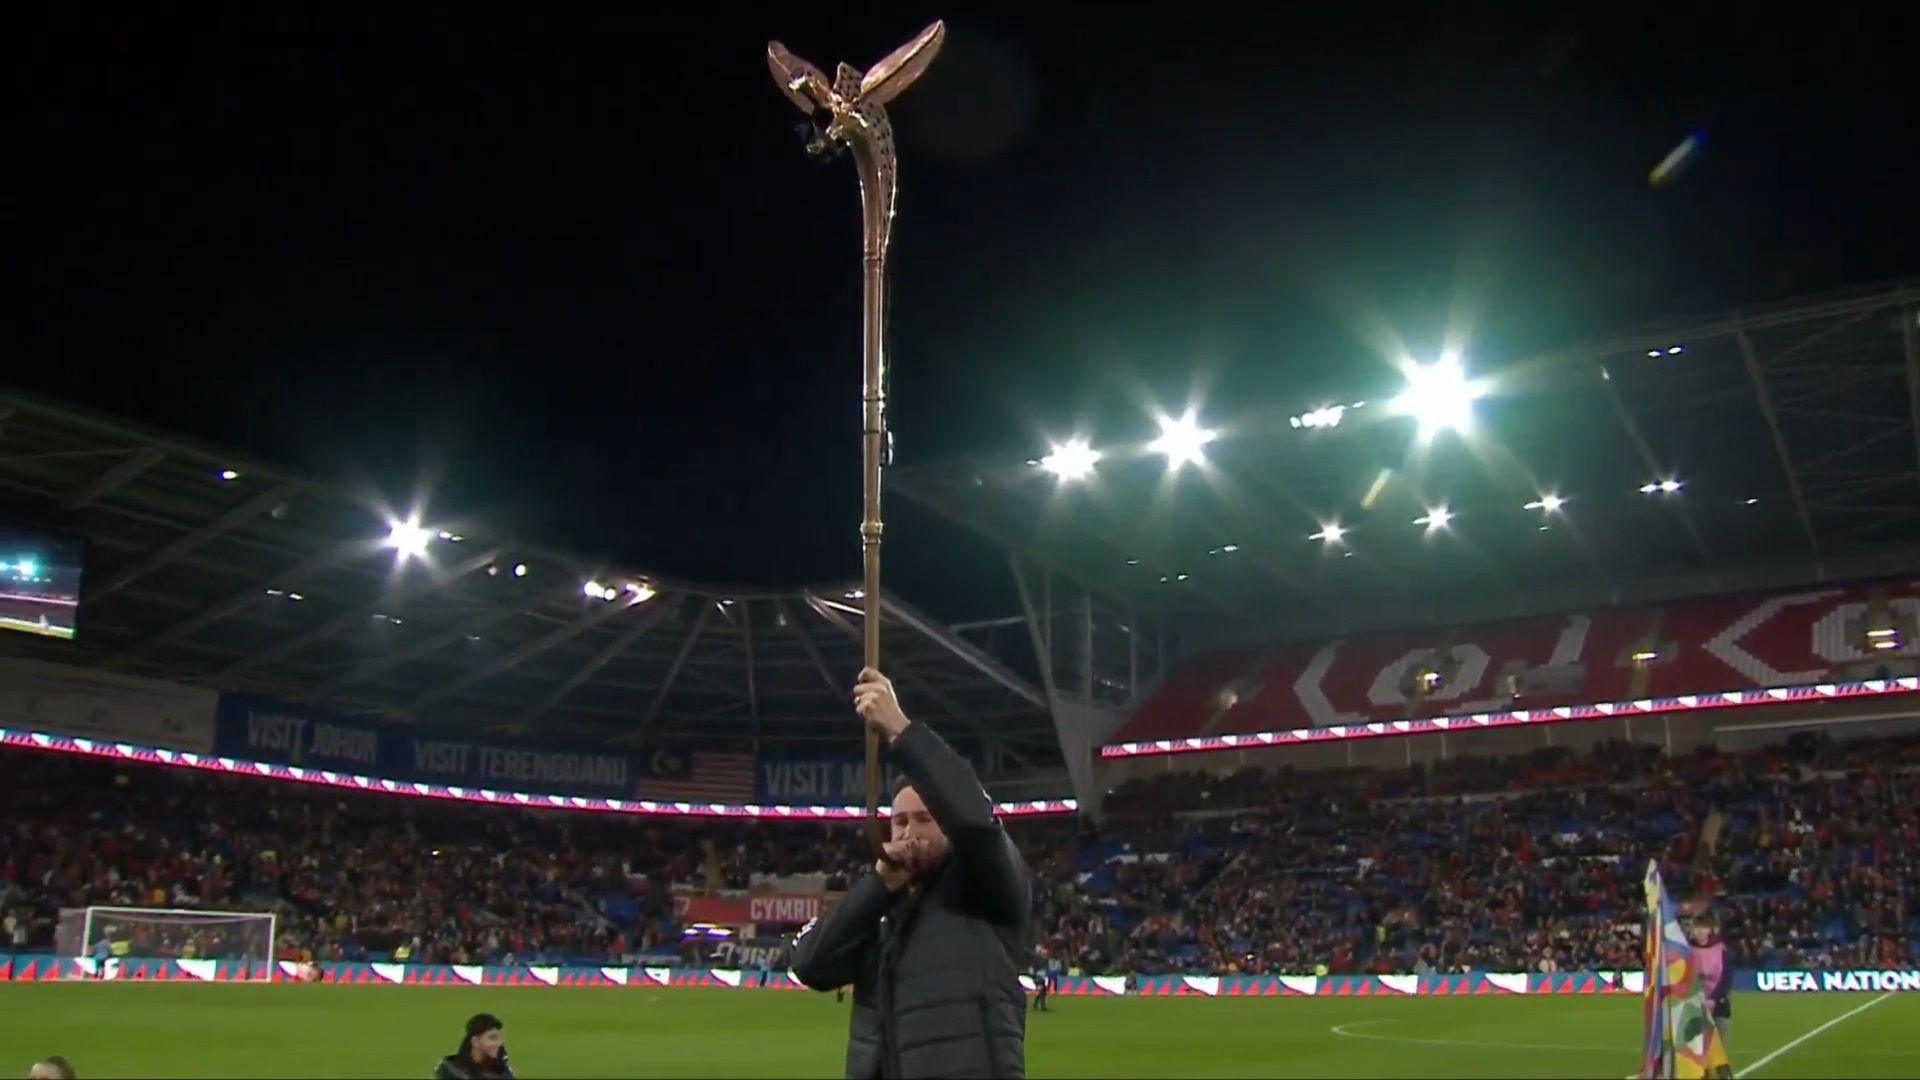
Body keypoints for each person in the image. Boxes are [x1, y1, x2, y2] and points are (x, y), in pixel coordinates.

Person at [790, 668, 1033, 1079]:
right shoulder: (884, 907)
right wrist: (879, 885)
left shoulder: (985, 889)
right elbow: (810, 964)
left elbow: (975, 821)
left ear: (948, 824)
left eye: (925, 819)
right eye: (899, 821)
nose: (908, 831)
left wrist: (899, 730)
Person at [1690, 914, 1732, 1076]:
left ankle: (1723, 1073)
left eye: (1703, 929)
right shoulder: (1687, 949)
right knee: (1698, 1046)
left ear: (1710, 930)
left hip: (1718, 1005)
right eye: (1697, 929)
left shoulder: (1721, 949)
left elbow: (1726, 978)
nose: (1699, 932)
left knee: (1718, 1045)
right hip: (1695, 1004)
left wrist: (1713, 999)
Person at [434, 1013, 513, 1079]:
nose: (498, 1043)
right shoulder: (451, 1070)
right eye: (492, 1038)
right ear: (475, 1041)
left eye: (500, 1038)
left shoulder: (502, 1070)